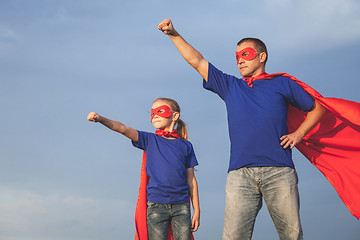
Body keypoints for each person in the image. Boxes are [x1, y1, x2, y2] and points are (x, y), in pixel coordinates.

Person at [158, 19, 326, 240]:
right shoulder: (230, 86)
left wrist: (298, 134)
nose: (239, 60)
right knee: (233, 237)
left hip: (280, 172)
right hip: (240, 175)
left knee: (291, 235)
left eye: (245, 54)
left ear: (262, 56)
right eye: (237, 57)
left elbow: (318, 108)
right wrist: (174, 34)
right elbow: (197, 61)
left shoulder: (282, 84)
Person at [87, 97, 200, 240]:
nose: (155, 116)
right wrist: (100, 118)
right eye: (152, 113)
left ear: (175, 115)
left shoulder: (186, 146)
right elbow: (123, 128)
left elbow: (191, 180)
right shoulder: (149, 140)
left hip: (181, 206)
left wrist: (197, 210)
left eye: (160, 111)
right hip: (156, 206)